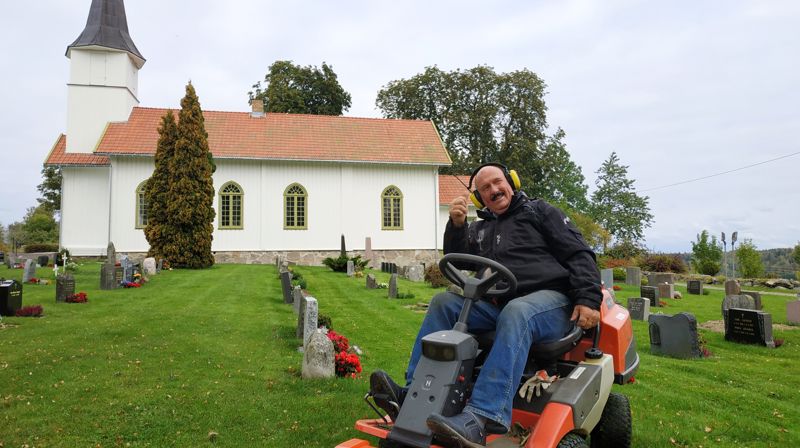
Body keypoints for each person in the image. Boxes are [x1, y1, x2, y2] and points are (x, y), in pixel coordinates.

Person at [370, 163, 602, 448]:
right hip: (499, 305)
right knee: (444, 302)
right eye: (485, 188)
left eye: (497, 183)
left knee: (519, 312)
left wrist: (589, 298)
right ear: (479, 198)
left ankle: (482, 415)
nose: (493, 190)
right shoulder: (481, 228)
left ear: (511, 181)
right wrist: (456, 227)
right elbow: (460, 260)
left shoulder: (540, 212)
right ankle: (412, 393)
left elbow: (579, 252)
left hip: (551, 303)